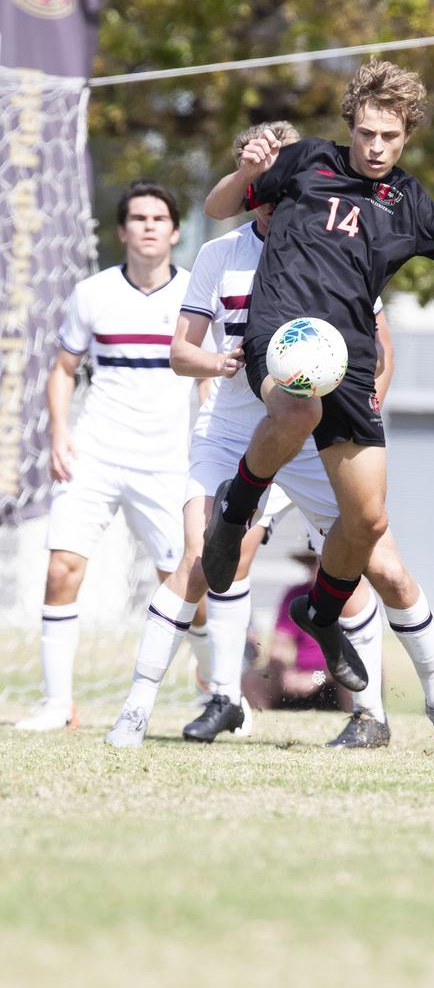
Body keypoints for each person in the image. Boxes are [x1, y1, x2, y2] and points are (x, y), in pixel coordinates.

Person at [105, 122, 434, 757]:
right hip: (233, 430)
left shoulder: (339, 244)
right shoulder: (220, 255)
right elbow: (180, 350)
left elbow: (379, 346)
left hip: (315, 432)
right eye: (270, 161)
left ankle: (415, 710)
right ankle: (140, 712)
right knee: (201, 560)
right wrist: (217, 364)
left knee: (378, 565)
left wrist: (369, 393)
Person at [201, 58, 434, 692]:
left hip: (347, 361)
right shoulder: (307, 161)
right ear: (351, 126)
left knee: (367, 521)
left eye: (389, 137)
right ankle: (234, 512)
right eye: (367, 133)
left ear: (406, 135)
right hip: (283, 336)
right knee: (297, 407)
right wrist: (248, 171)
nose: (376, 147)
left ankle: (319, 611)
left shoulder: (409, 203)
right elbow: (217, 208)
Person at [15, 180, 210, 732]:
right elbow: (62, 369)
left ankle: (216, 694)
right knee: (62, 568)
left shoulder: (196, 294)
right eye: (138, 218)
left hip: (168, 460)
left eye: (159, 218)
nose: (148, 226)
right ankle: (57, 704)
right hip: (95, 453)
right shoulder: (91, 293)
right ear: (122, 230)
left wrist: (211, 448)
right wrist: (58, 436)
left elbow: (206, 381)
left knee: (186, 583)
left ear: (174, 231)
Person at [242, 542, 354, 712]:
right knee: (254, 677)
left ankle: (360, 721)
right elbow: (278, 646)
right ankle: (260, 723)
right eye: (310, 563)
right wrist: (286, 673)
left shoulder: (352, 599)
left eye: (317, 563)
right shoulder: (296, 595)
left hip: (335, 681)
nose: (311, 569)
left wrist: (317, 678)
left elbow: (352, 658)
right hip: (298, 679)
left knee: (355, 676)